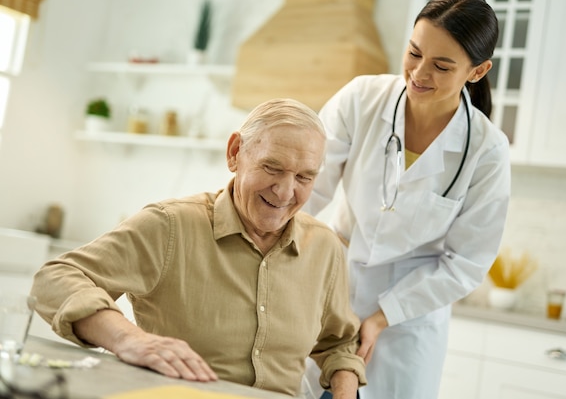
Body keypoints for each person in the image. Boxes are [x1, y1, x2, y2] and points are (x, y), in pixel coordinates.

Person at [30, 98, 366, 398]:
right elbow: (55, 279)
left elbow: (340, 344)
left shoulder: (324, 247)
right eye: (272, 168)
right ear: (235, 152)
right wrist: (127, 338)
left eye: (304, 177)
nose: (285, 191)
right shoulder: (169, 226)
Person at [304, 0, 510, 399]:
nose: (418, 72)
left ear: (477, 71)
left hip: (408, 318)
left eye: (441, 65)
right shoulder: (362, 99)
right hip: (332, 290)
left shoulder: (486, 151)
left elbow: (466, 263)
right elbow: (308, 188)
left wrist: (382, 317)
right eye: (414, 53)